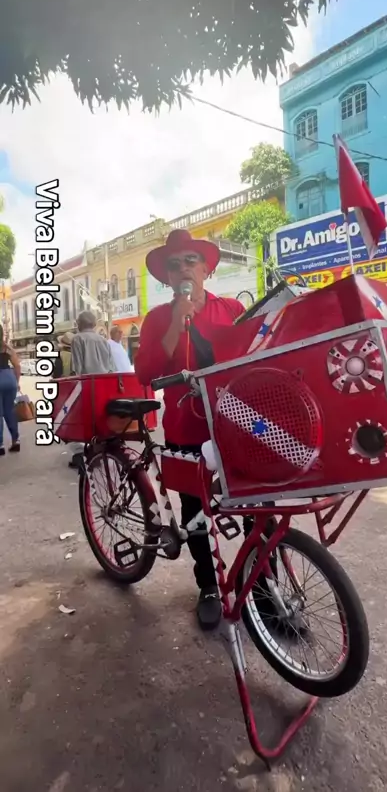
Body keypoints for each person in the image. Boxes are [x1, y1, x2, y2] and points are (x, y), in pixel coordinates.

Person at [135, 229, 244, 630]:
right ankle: (209, 586)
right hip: (185, 426)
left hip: (238, 422)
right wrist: (175, 324)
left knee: (257, 504)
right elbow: (146, 373)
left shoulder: (231, 309)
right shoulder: (156, 319)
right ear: (167, 277)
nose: (183, 268)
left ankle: (262, 585)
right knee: (196, 513)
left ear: (206, 269)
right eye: (174, 264)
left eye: (190, 260)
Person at [68, 311, 116, 469]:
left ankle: (84, 454)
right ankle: (99, 452)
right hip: (105, 385)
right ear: (94, 324)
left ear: (79, 324)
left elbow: (77, 368)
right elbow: (111, 367)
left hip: (88, 385)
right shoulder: (103, 340)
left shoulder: (77, 339)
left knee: (84, 420)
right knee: (100, 418)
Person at [0, 324, 21, 455]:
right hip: (9, 378)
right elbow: (17, 366)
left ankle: (0, 445)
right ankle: (15, 440)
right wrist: (16, 382)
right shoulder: (7, 348)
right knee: (10, 411)